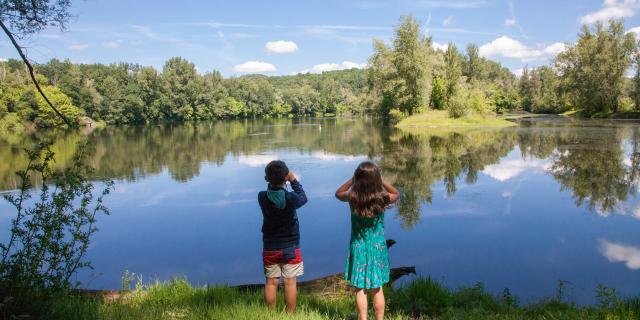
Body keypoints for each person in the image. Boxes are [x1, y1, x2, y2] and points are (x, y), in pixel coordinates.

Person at [335, 161, 399, 320]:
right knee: (377, 289)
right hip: (377, 249)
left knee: (360, 289)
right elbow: (396, 194)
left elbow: (338, 193)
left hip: (358, 247)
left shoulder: (352, 197)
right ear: (376, 179)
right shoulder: (383, 197)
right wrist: (381, 181)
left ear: (358, 178)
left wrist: (352, 180)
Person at [258, 160, 307, 313]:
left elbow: (271, 191)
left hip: (270, 247)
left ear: (266, 179)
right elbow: (303, 197)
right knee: (290, 282)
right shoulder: (291, 198)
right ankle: (290, 315)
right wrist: (293, 180)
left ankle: (271, 314)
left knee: (271, 282)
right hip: (291, 247)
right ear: (285, 177)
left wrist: (279, 180)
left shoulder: (262, 197)